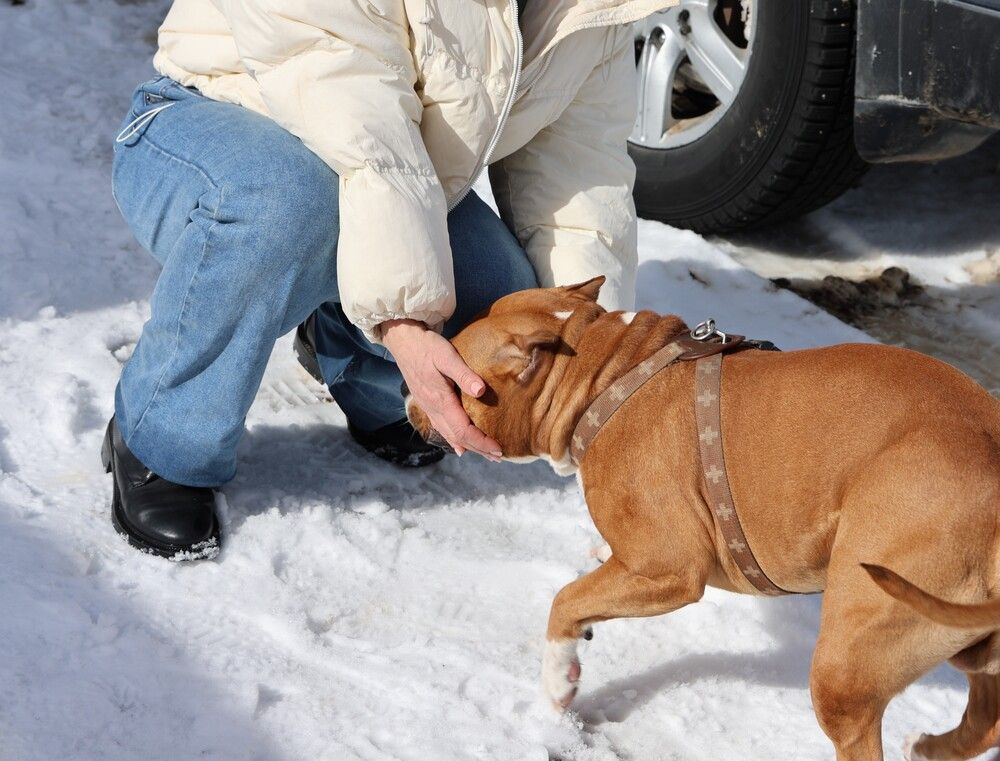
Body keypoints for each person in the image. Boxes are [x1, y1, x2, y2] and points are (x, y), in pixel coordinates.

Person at [105, 0, 655, 559]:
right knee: (293, 207)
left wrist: (598, 358)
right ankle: (161, 437)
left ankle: (350, 351)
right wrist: (404, 320)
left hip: (394, 174)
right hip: (211, 126)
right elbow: (352, 106)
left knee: (500, 296)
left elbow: (578, 179)